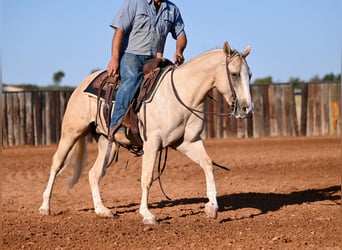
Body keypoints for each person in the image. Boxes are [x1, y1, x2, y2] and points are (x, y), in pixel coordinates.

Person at [107, 0, 187, 145]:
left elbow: (181, 35)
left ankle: (160, 126)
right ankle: (116, 126)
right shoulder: (135, 3)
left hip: (153, 59)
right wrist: (114, 58)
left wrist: (179, 50)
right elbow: (119, 31)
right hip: (131, 55)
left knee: (165, 85)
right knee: (132, 79)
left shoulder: (172, 10)